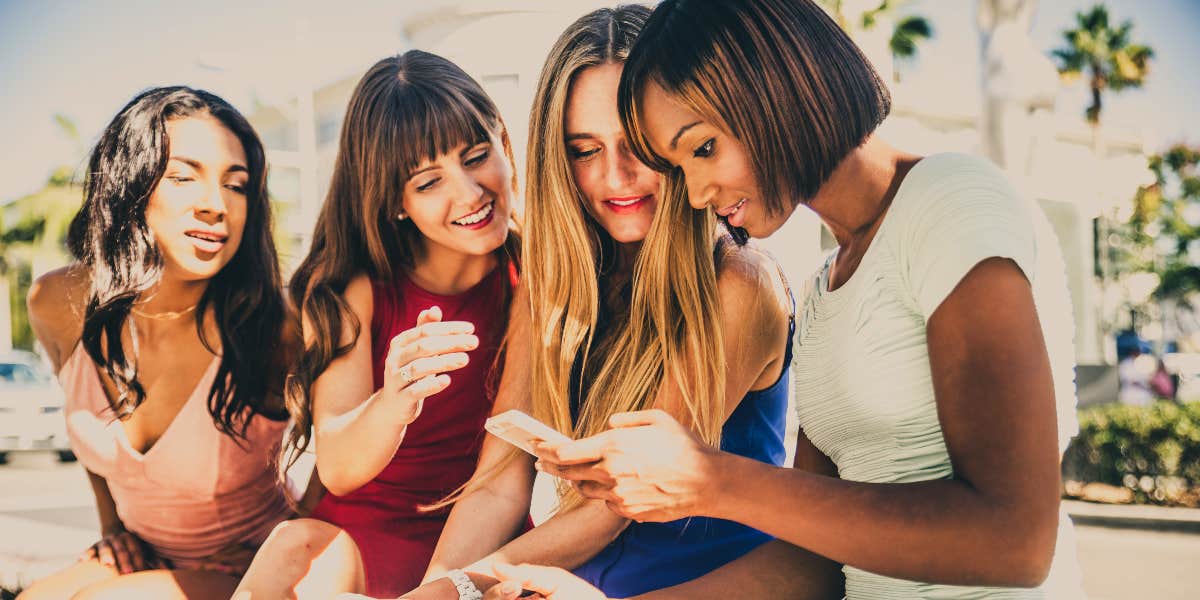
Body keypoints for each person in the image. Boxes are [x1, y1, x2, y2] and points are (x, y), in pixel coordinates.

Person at [532, 0, 1086, 598]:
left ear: (772, 94)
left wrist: (710, 477)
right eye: (678, 165)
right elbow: (812, 563)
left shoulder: (949, 204)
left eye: (703, 148)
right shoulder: (823, 291)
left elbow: (1015, 542)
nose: (694, 193)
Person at [396, 6, 826, 600]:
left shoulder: (741, 285)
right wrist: (433, 590)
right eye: (584, 149)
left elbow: (611, 509)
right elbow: (496, 485)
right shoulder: (554, 282)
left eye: (636, 145)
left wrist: (453, 593)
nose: (616, 176)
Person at [231, 50, 521, 599]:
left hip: (481, 539)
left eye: (477, 155)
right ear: (395, 202)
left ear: (504, 143)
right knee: (292, 549)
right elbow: (337, 465)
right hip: (357, 543)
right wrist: (394, 400)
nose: (468, 192)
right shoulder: (354, 289)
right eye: (428, 181)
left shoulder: (529, 278)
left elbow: (503, 482)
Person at [21, 86, 310, 599]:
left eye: (236, 186)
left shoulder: (275, 324)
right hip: (146, 554)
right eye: (183, 177)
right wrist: (113, 531)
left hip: (255, 565)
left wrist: (292, 541)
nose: (216, 206)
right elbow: (88, 439)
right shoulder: (57, 302)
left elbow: (349, 460)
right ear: (129, 185)